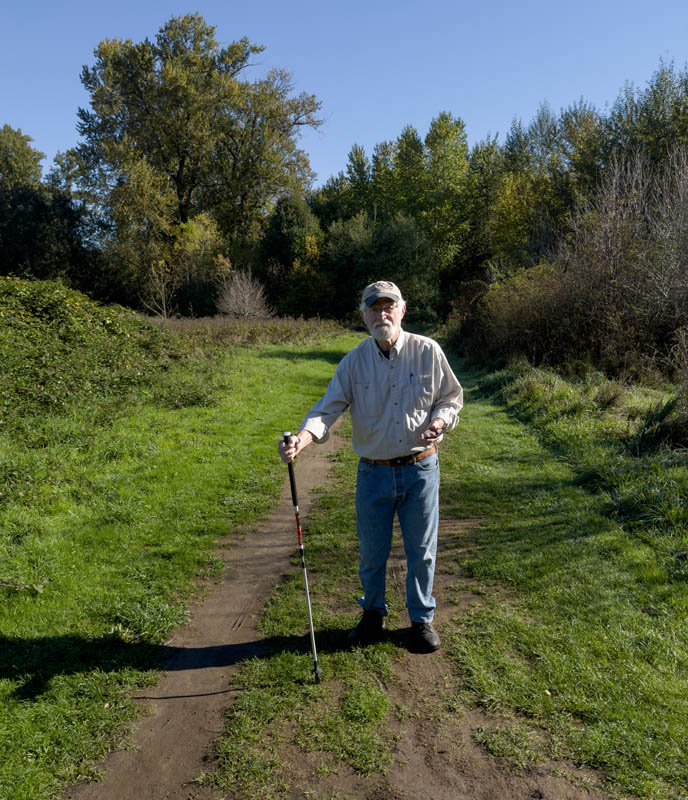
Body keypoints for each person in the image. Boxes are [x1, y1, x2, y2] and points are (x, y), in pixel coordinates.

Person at [278, 280, 463, 652]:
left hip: (420, 469)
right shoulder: (353, 362)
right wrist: (303, 438)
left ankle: (421, 620)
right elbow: (326, 410)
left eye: (388, 307)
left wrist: (440, 422)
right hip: (373, 472)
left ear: (402, 310)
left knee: (422, 551)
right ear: (363, 315)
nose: (382, 314)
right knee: (372, 551)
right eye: (374, 308)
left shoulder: (428, 352)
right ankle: (373, 615)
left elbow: (451, 398)